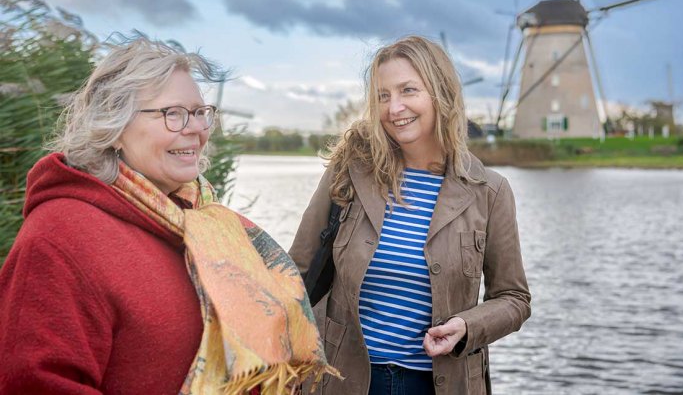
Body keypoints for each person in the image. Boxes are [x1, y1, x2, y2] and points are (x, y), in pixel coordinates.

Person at [0, 37, 336, 394]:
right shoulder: (61, 236)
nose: (195, 129)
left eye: (199, 112)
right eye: (172, 114)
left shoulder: (206, 221)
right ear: (113, 127)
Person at [289, 35, 531, 395]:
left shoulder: (489, 192)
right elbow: (296, 273)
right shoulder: (349, 173)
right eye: (383, 96)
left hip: (439, 384)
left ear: (440, 93)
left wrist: (467, 325)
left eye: (408, 91)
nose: (394, 108)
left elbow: (513, 299)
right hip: (342, 380)